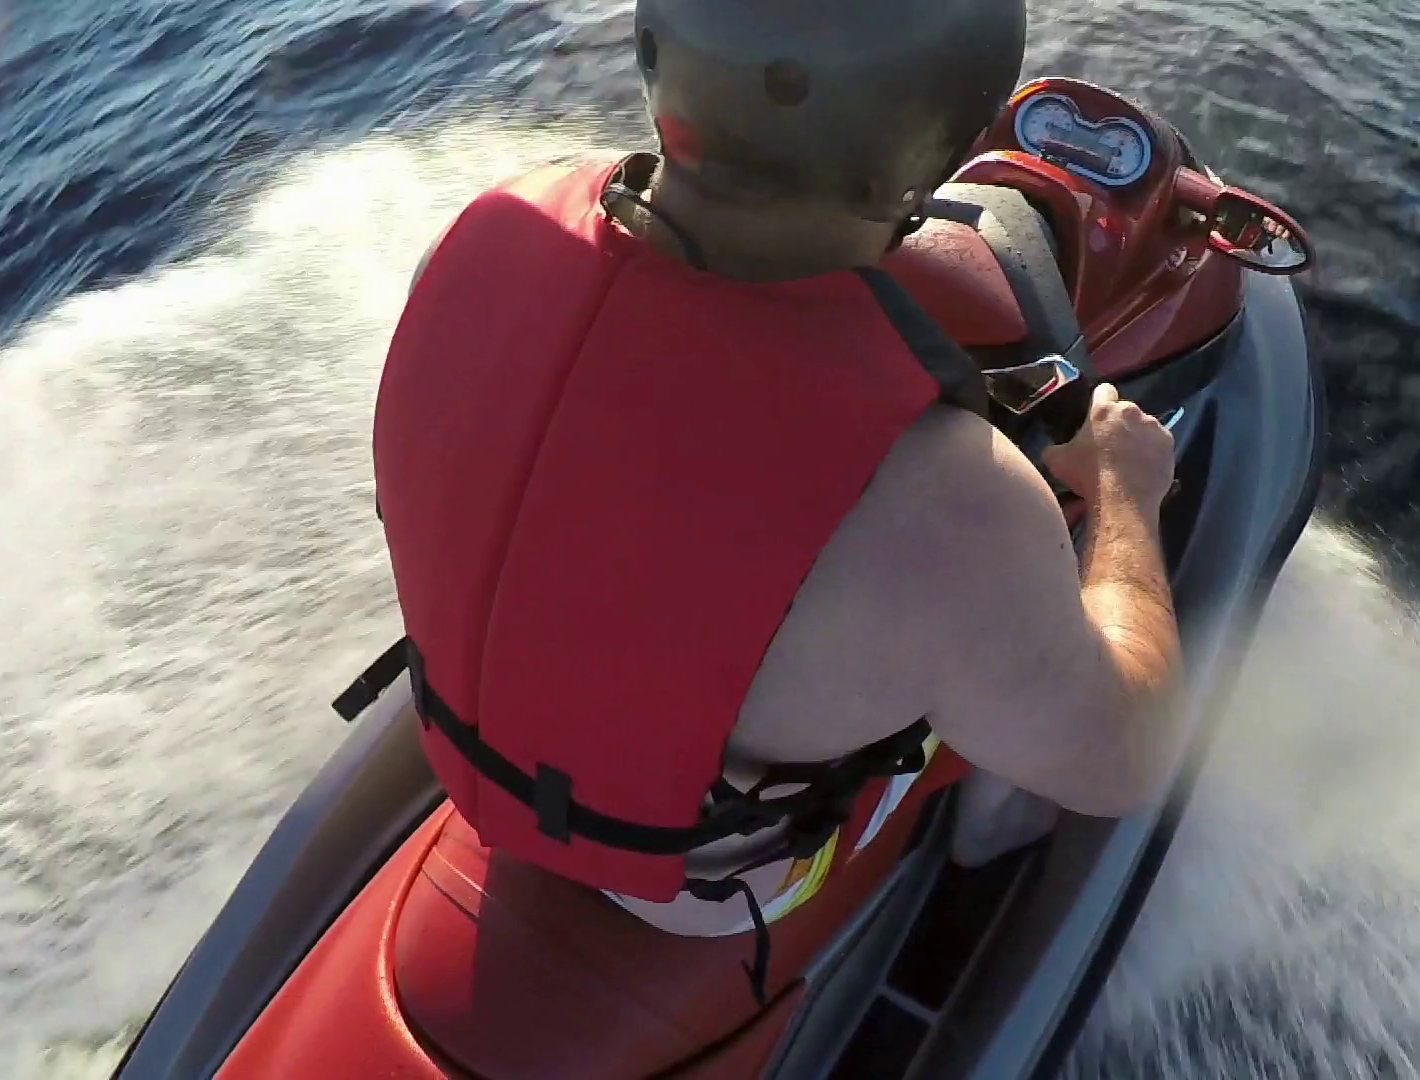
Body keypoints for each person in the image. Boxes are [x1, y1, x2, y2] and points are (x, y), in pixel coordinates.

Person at [365, 0, 1185, 992]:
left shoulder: (474, 238)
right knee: (1018, 640)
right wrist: (1126, 494)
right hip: (693, 887)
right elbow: (1126, 762)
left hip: (482, 768)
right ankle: (988, 844)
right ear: (951, 146)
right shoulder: (953, 505)